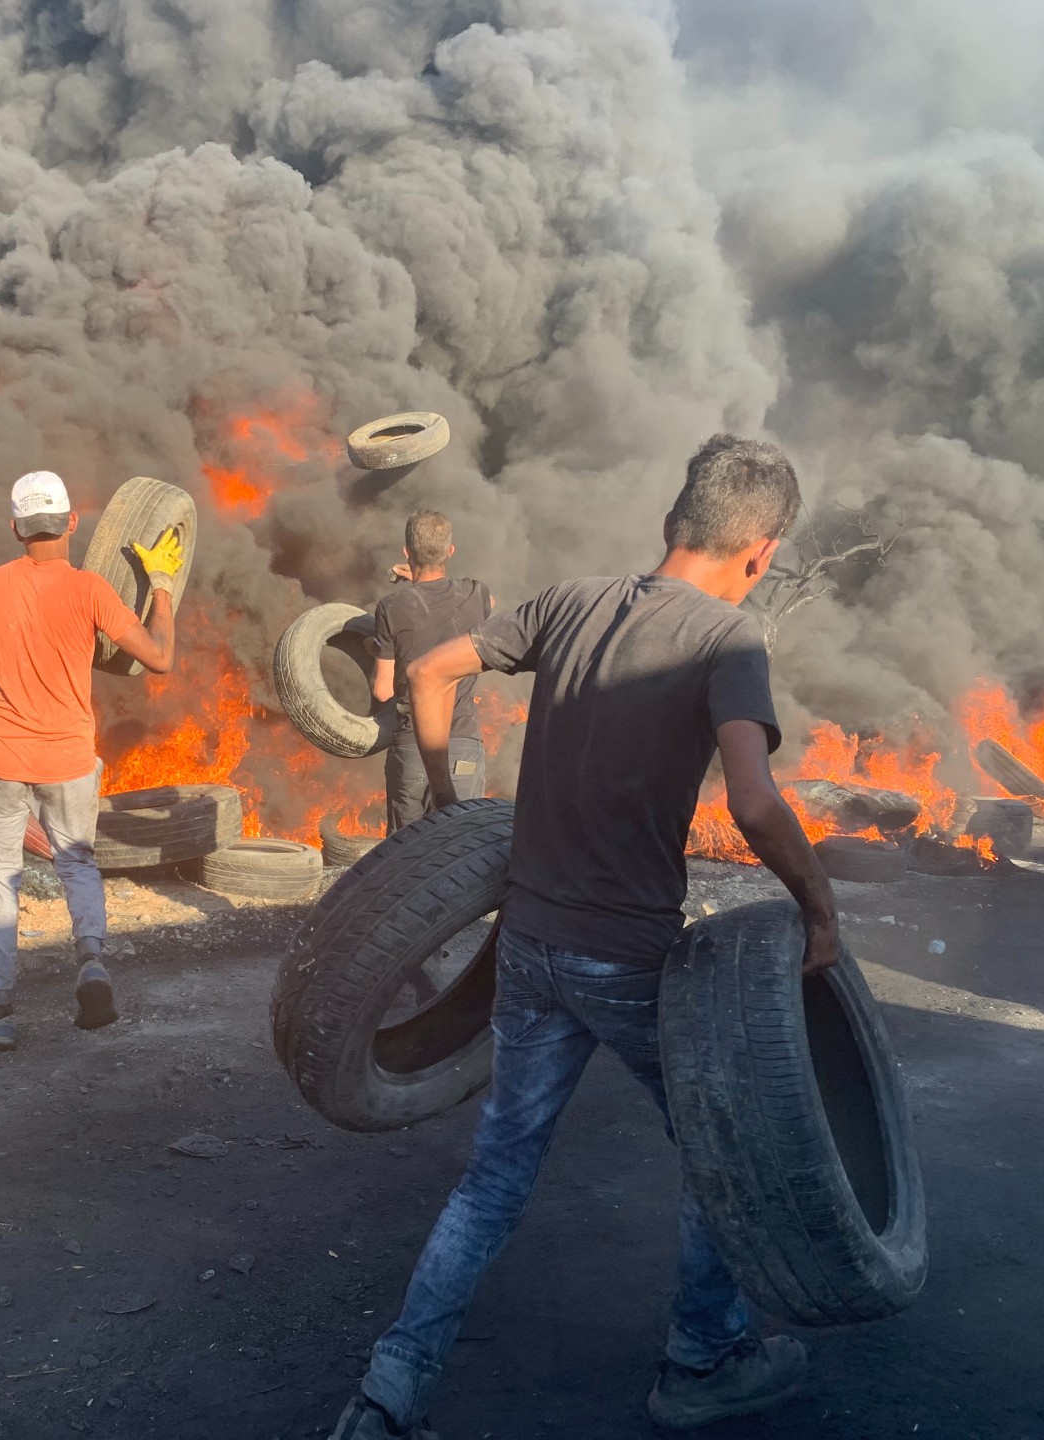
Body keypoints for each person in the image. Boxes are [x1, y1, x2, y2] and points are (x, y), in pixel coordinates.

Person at [328, 435, 842, 1439]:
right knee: (717, 1152)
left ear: (670, 526)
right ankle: (702, 1358)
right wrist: (820, 909)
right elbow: (753, 801)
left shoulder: (568, 602)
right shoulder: (730, 643)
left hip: (531, 941)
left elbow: (431, 673)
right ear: (762, 554)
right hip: (628, 956)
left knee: (497, 1174)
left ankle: (392, 1389)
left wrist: (451, 806)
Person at [0, 470, 183, 1052]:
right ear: (72, 522)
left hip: (3, 759)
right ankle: (92, 963)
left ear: (15, 529)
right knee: (77, 863)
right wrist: (161, 584)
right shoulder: (92, 591)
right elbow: (159, 658)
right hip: (70, 759)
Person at [370, 510, 493, 833]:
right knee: (461, 848)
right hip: (462, 744)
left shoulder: (391, 607)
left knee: (405, 856)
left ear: (406, 552)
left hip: (411, 749)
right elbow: (490, 602)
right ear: (450, 552)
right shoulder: (475, 593)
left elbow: (382, 690)